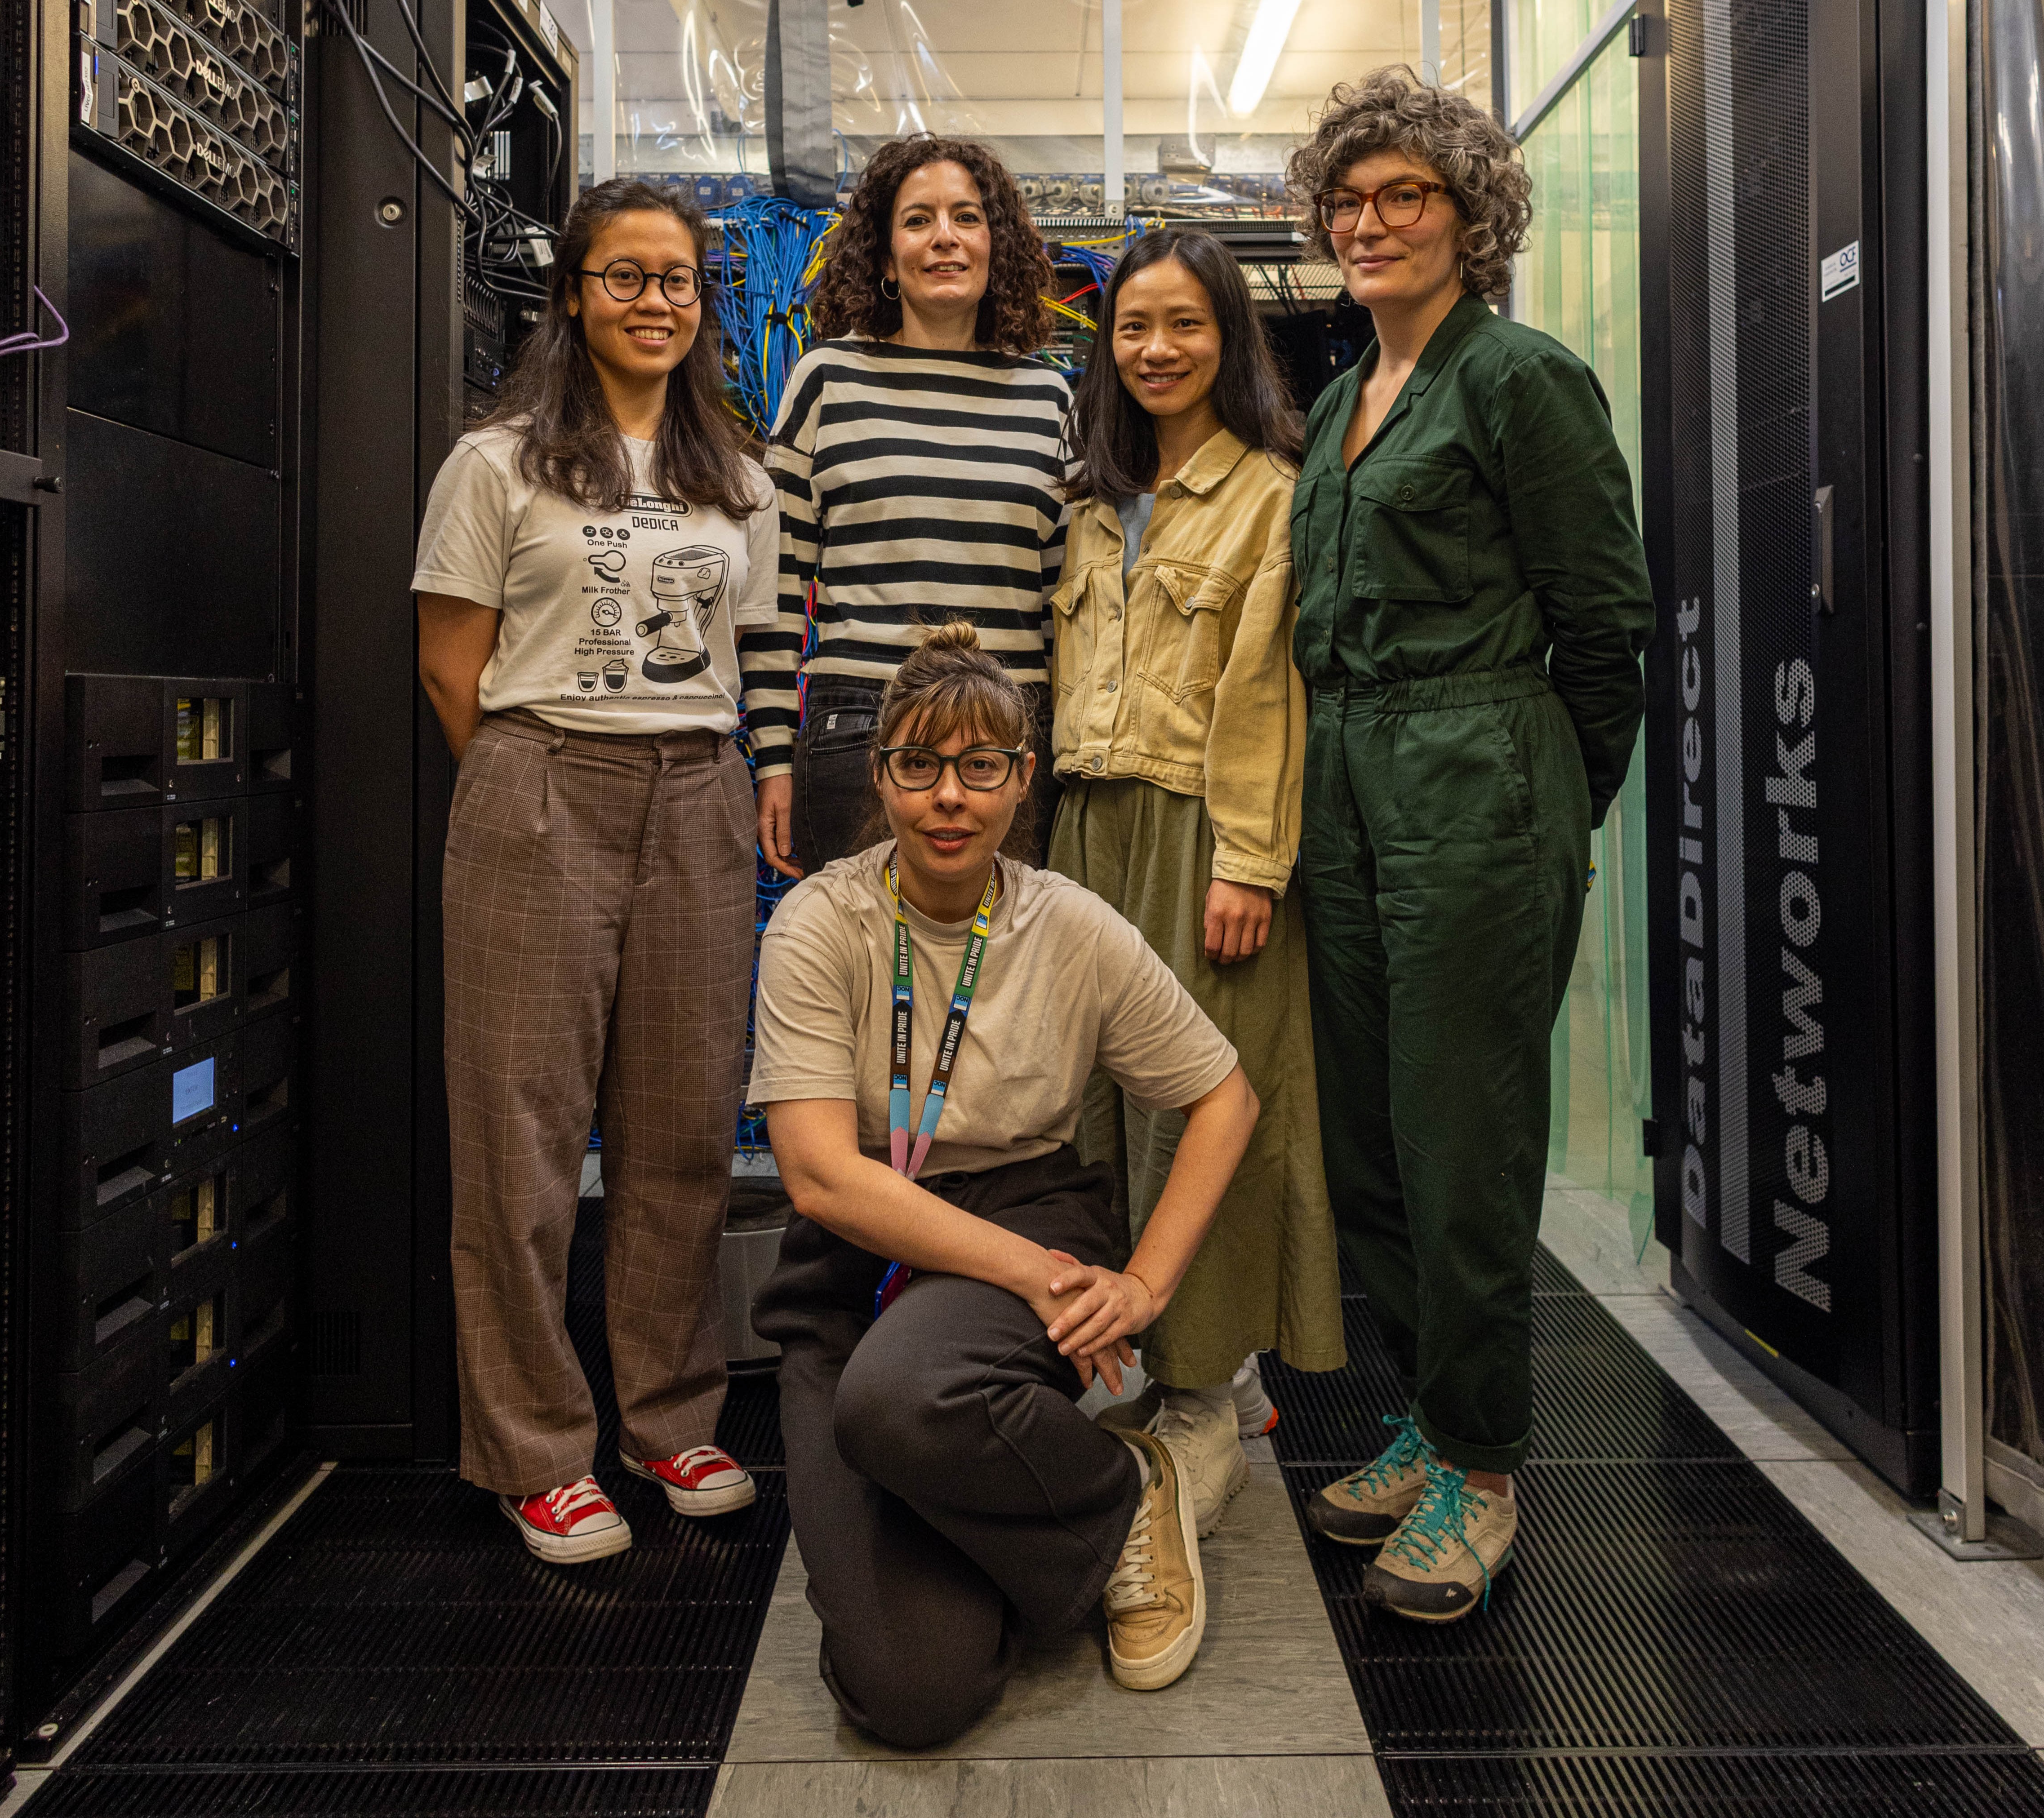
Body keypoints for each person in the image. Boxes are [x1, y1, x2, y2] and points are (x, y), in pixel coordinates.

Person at [748, 622, 1262, 1747]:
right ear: (880, 775)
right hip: (858, 1255)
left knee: (897, 1402)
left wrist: (1142, 1285)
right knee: (909, 1692)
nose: (949, 798)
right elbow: (819, 1176)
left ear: (1022, 780)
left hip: (1020, 1200)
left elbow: (1225, 1098)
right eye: (919, 766)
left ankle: (1119, 1497)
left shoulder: (1068, 925)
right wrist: (1040, 1279)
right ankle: (1066, 1483)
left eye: (981, 768)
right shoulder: (818, 923)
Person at [1284, 68, 1655, 1619]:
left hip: (1478, 775)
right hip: (1353, 777)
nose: (1369, 223)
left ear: (1468, 216)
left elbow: (1605, 622)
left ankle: (1484, 1467)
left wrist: (1543, 810)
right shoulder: (1336, 398)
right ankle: (1429, 1422)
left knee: (1463, 1141)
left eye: (1404, 198)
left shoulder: (1518, 379)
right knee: (1370, 1134)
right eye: (1349, 202)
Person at [413, 180, 776, 1564]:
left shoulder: (733, 475)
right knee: (518, 1137)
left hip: (697, 790)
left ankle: (668, 1419)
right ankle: (535, 1452)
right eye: (624, 277)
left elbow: (741, 652)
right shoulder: (496, 461)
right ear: (571, 294)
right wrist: (535, 785)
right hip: (539, 777)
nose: (655, 302)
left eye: (677, 280)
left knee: (681, 1128)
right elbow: (452, 663)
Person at [1045, 227, 1347, 1536]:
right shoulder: (1085, 495)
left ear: (1228, 340)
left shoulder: (1271, 495)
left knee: (1207, 1097)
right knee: (1092, 1101)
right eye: (1131, 327)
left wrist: (1247, 860)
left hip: (1195, 830)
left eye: (1183, 324)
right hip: (1082, 825)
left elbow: (1264, 698)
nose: (1155, 348)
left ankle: (1205, 1377)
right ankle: (1118, 1345)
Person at [743, 134, 1070, 878]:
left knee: (1001, 979)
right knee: (859, 975)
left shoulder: (1049, 397)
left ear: (998, 246)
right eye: (918, 220)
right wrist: (770, 758)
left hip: (1011, 733)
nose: (945, 237)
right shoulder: (827, 379)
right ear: (886, 257)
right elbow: (775, 587)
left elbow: (1066, 607)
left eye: (966, 217)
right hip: (859, 726)